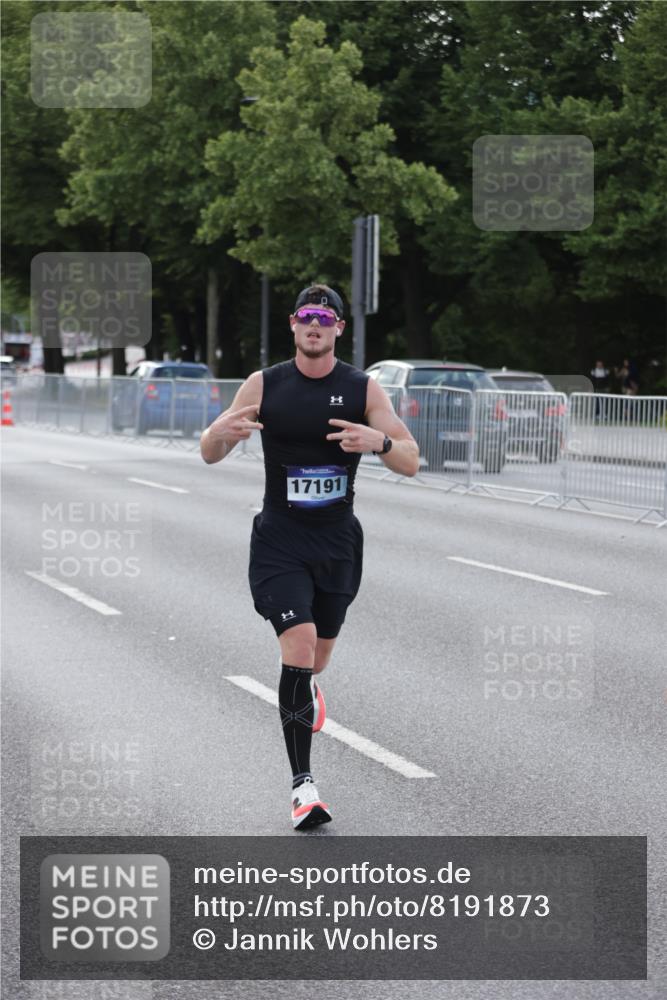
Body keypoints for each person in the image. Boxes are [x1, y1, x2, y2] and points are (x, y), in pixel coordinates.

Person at [200, 284, 419, 830]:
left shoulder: (362, 388)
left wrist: (381, 443)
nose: (314, 325)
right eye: (306, 317)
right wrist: (217, 433)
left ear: (339, 328)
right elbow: (210, 451)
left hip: (338, 544)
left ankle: (310, 685)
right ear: (294, 326)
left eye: (325, 318)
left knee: (315, 658)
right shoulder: (264, 384)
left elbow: (412, 460)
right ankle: (303, 788)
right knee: (296, 647)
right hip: (279, 539)